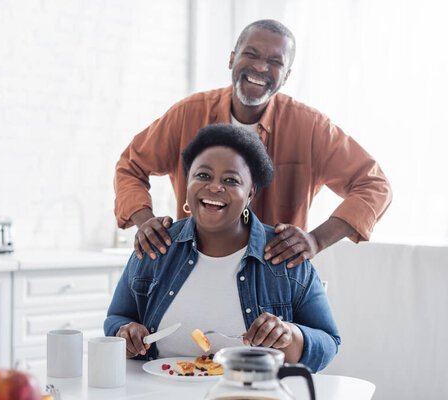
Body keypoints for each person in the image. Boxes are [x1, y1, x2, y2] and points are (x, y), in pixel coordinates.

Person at [114, 19, 392, 268]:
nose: (261, 67)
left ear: (287, 76)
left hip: (272, 276)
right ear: (232, 58)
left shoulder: (311, 127)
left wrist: (316, 240)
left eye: (275, 61)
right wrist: (145, 221)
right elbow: (130, 166)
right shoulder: (189, 113)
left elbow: (374, 186)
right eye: (251, 54)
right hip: (194, 266)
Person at [105, 124, 340, 373]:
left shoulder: (284, 254)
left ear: (250, 193)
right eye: (203, 176)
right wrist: (125, 333)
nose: (215, 187)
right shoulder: (156, 245)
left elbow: (328, 343)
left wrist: (289, 336)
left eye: (231, 180)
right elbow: (116, 319)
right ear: (188, 183)